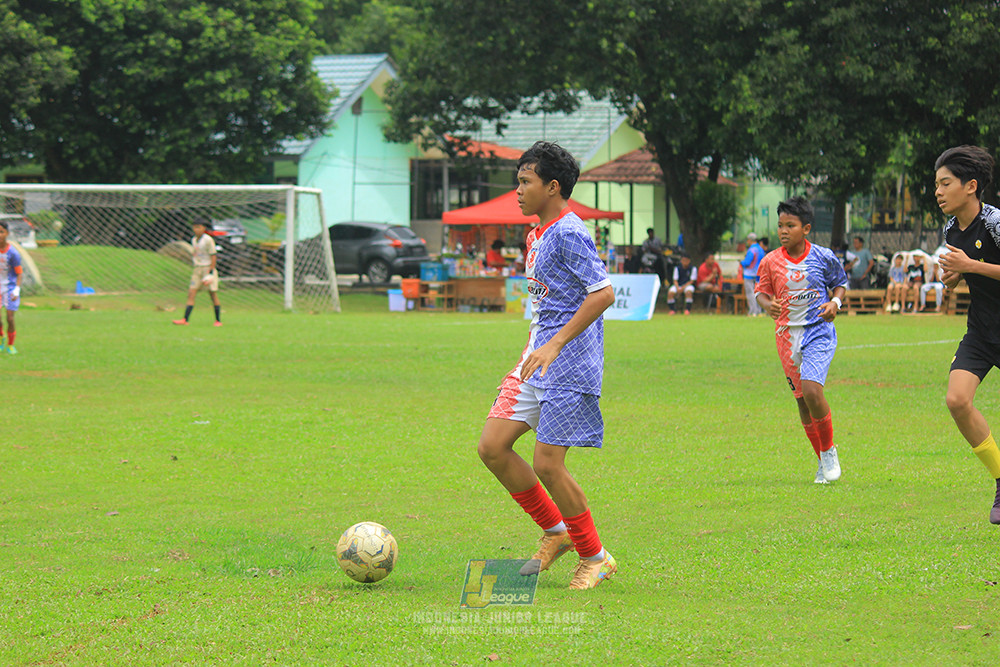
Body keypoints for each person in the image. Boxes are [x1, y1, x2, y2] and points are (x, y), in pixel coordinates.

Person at [477, 141, 617, 590]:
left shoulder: (570, 232)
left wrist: (555, 344)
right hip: (535, 360)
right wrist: (537, 348)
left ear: (552, 186)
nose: (517, 190)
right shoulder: (536, 232)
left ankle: (595, 557)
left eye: (525, 182)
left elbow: (603, 293)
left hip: (569, 364)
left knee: (548, 464)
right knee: (493, 447)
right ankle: (557, 533)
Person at [755, 196, 849, 484]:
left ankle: (829, 450)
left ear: (805, 228)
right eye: (780, 225)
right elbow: (761, 291)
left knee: (811, 390)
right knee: (802, 402)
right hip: (786, 337)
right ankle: (821, 461)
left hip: (817, 331)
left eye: (790, 225)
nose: (783, 231)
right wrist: (765, 304)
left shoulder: (822, 256)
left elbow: (841, 283)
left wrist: (835, 303)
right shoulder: (770, 261)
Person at [934, 145, 1000, 524]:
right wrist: (954, 278)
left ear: (971, 186)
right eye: (936, 185)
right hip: (981, 331)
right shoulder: (950, 230)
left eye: (946, 183)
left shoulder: (994, 222)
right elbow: (960, 279)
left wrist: (970, 264)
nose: (939, 192)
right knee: (957, 400)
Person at [173, 216, 222, 326]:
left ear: (204, 228)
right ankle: (185, 319)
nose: (196, 230)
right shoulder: (194, 240)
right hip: (197, 269)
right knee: (191, 293)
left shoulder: (208, 240)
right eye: (195, 227)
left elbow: (213, 256)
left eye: (198, 227)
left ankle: (218, 320)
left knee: (212, 294)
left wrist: (210, 273)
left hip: (208, 268)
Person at [0, 220, 23, 354]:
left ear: (7, 233)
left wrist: (16, 289)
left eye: (1, 232)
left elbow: (19, 273)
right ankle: (1, 339)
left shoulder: (13, 253)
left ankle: (11, 344)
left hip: (9, 288)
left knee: (9, 318)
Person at [739, 232, 766, 315]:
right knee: (758, 293)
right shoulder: (761, 249)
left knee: (750, 293)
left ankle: (753, 311)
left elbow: (747, 262)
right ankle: (759, 311)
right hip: (758, 274)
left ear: (750, 240)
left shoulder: (751, 250)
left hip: (749, 274)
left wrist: (741, 262)